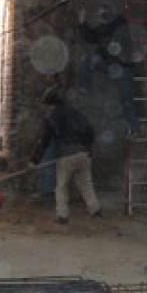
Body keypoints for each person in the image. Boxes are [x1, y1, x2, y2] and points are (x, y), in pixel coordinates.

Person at [31, 85, 102, 224]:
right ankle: (95, 210)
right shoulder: (76, 113)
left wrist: (34, 161)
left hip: (66, 155)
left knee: (61, 187)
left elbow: (43, 141)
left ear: (50, 104)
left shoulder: (51, 117)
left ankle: (62, 215)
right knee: (86, 184)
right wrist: (87, 149)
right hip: (84, 153)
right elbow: (90, 131)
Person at [77, 3, 139, 135]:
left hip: (123, 69)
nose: (100, 18)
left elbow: (100, 36)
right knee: (88, 60)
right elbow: (92, 37)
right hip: (113, 67)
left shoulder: (118, 25)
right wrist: (82, 23)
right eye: (100, 15)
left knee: (127, 100)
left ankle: (133, 127)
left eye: (102, 14)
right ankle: (85, 88)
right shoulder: (106, 28)